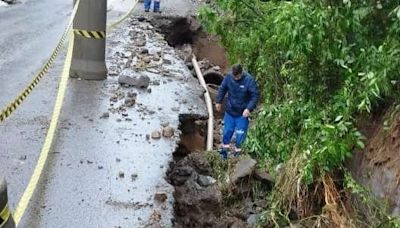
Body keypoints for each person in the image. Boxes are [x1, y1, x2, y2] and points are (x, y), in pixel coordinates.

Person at [215, 64, 259, 159]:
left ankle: (237, 157)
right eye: (234, 76)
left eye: (238, 76)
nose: (236, 78)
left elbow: (255, 96)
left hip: (242, 114)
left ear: (241, 73)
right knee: (227, 132)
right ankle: (223, 155)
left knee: (240, 136)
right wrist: (218, 101)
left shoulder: (249, 80)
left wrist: (248, 108)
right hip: (230, 111)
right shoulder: (229, 77)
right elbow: (222, 88)